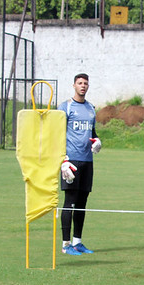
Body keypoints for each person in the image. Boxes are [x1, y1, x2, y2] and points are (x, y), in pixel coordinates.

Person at [59, 73, 102, 255]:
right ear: (74, 85)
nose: (83, 86)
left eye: (85, 83)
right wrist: (62, 161)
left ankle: (78, 242)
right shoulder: (66, 107)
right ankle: (65, 244)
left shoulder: (91, 108)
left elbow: (92, 131)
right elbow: (56, 134)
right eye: (79, 83)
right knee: (70, 201)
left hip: (87, 160)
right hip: (71, 162)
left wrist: (97, 141)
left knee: (82, 202)